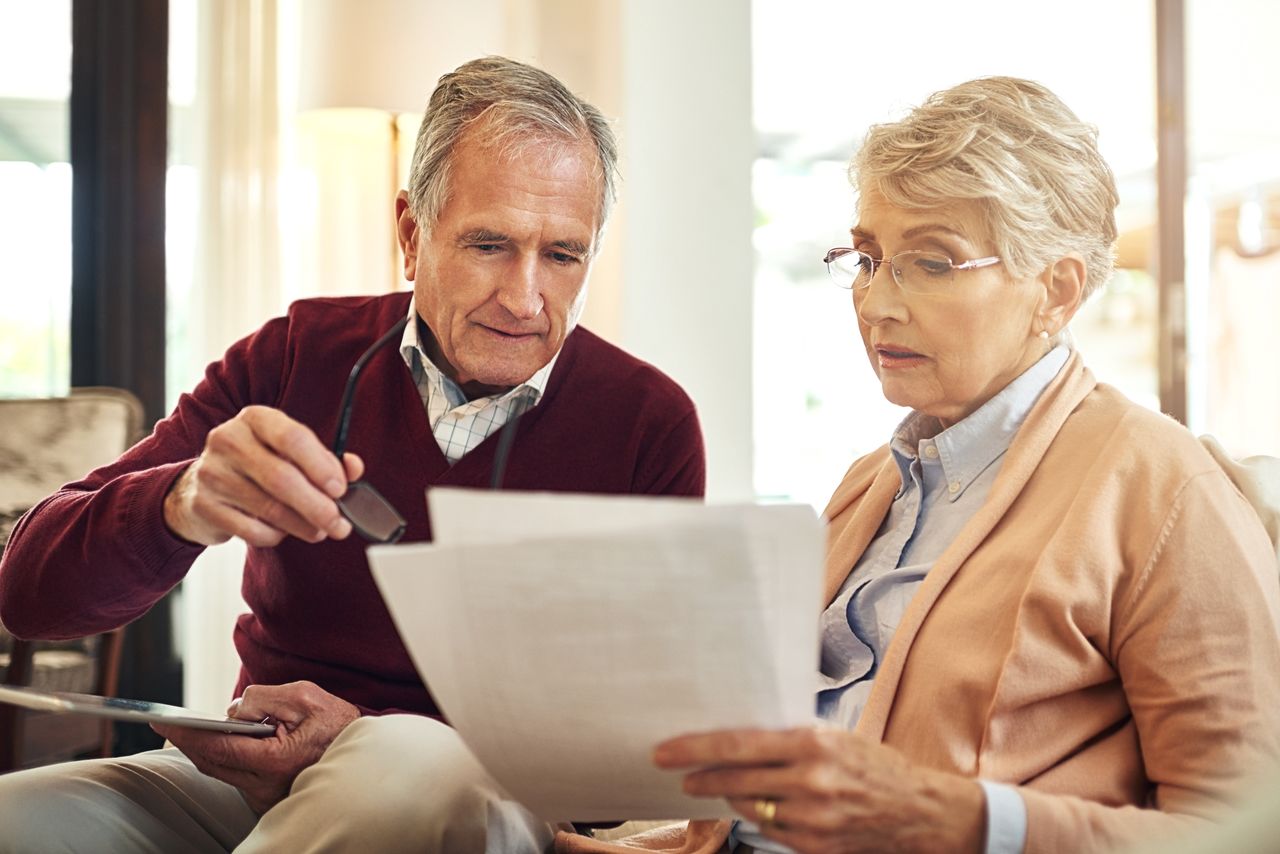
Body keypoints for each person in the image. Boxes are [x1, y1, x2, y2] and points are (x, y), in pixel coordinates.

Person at [557, 77, 1280, 854]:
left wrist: (964, 819)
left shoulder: (1162, 487)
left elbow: (1243, 831)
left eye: (932, 263)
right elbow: (773, 815)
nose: (875, 304)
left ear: (1057, 291)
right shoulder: (871, 483)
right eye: (868, 257)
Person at [0, 56, 704, 852]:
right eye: (488, 245)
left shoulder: (649, 423)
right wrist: (179, 503)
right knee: (18, 819)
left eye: (564, 255)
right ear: (411, 233)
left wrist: (357, 736)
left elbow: (626, 757)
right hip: (260, 788)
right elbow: (30, 597)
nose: (525, 297)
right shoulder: (294, 355)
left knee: (407, 766)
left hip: (487, 800)